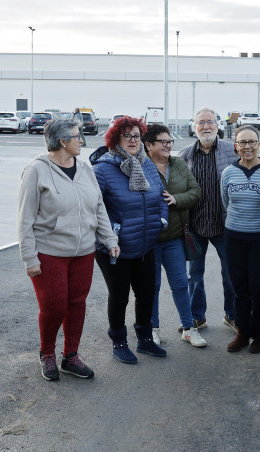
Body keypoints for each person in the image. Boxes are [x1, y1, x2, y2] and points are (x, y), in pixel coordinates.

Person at [17, 117, 120, 381]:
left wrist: (109, 240)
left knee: (77, 303)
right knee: (53, 306)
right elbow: (25, 219)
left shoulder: (85, 169)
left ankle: (70, 356)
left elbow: (99, 207)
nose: (82, 141)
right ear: (63, 141)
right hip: (49, 253)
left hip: (83, 251)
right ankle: (47, 353)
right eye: (77, 136)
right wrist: (30, 258)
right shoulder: (36, 171)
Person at [89, 116, 170, 364]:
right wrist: (111, 232)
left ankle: (145, 340)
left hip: (145, 244)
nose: (133, 141)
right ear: (116, 139)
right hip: (115, 247)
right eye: (127, 136)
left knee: (146, 293)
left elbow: (161, 197)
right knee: (120, 296)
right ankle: (119, 342)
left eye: (137, 136)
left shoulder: (146, 165)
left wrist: (162, 221)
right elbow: (93, 207)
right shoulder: (102, 169)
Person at [142, 123, 207, 348]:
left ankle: (189, 328)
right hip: (149, 240)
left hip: (175, 238)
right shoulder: (140, 166)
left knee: (180, 284)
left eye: (170, 141)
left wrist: (175, 199)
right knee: (152, 287)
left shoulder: (178, 163)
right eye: (163, 142)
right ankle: (152, 329)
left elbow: (195, 192)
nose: (169, 146)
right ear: (148, 145)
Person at [179, 107, 238, 332]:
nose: (206, 126)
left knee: (230, 273)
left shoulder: (232, 151)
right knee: (194, 275)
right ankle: (197, 317)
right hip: (195, 226)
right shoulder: (185, 155)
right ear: (194, 127)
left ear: (217, 125)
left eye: (210, 122)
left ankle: (232, 315)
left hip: (225, 225)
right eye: (201, 122)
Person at [221, 126, 260, 353]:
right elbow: (226, 203)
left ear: (259, 144)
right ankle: (243, 333)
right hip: (234, 237)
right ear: (236, 145)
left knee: (259, 288)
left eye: (251, 142)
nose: (247, 147)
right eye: (242, 142)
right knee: (239, 288)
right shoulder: (228, 172)